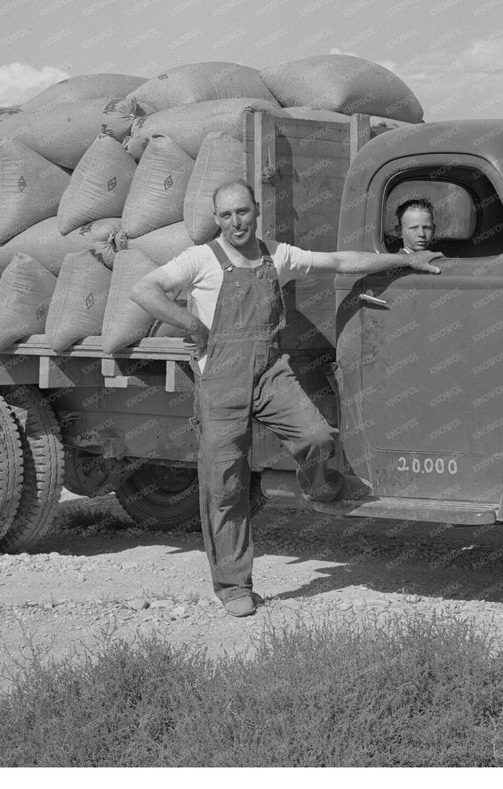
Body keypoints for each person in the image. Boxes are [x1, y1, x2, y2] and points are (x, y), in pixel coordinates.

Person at [130, 179, 443, 617]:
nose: (236, 222)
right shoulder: (201, 259)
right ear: (217, 220)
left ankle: (320, 488)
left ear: (256, 210)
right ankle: (234, 586)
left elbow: (338, 260)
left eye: (243, 212)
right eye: (226, 215)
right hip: (220, 382)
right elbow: (143, 289)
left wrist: (404, 259)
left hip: (270, 373)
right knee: (225, 485)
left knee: (316, 437)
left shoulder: (277, 254)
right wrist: (193, 326)